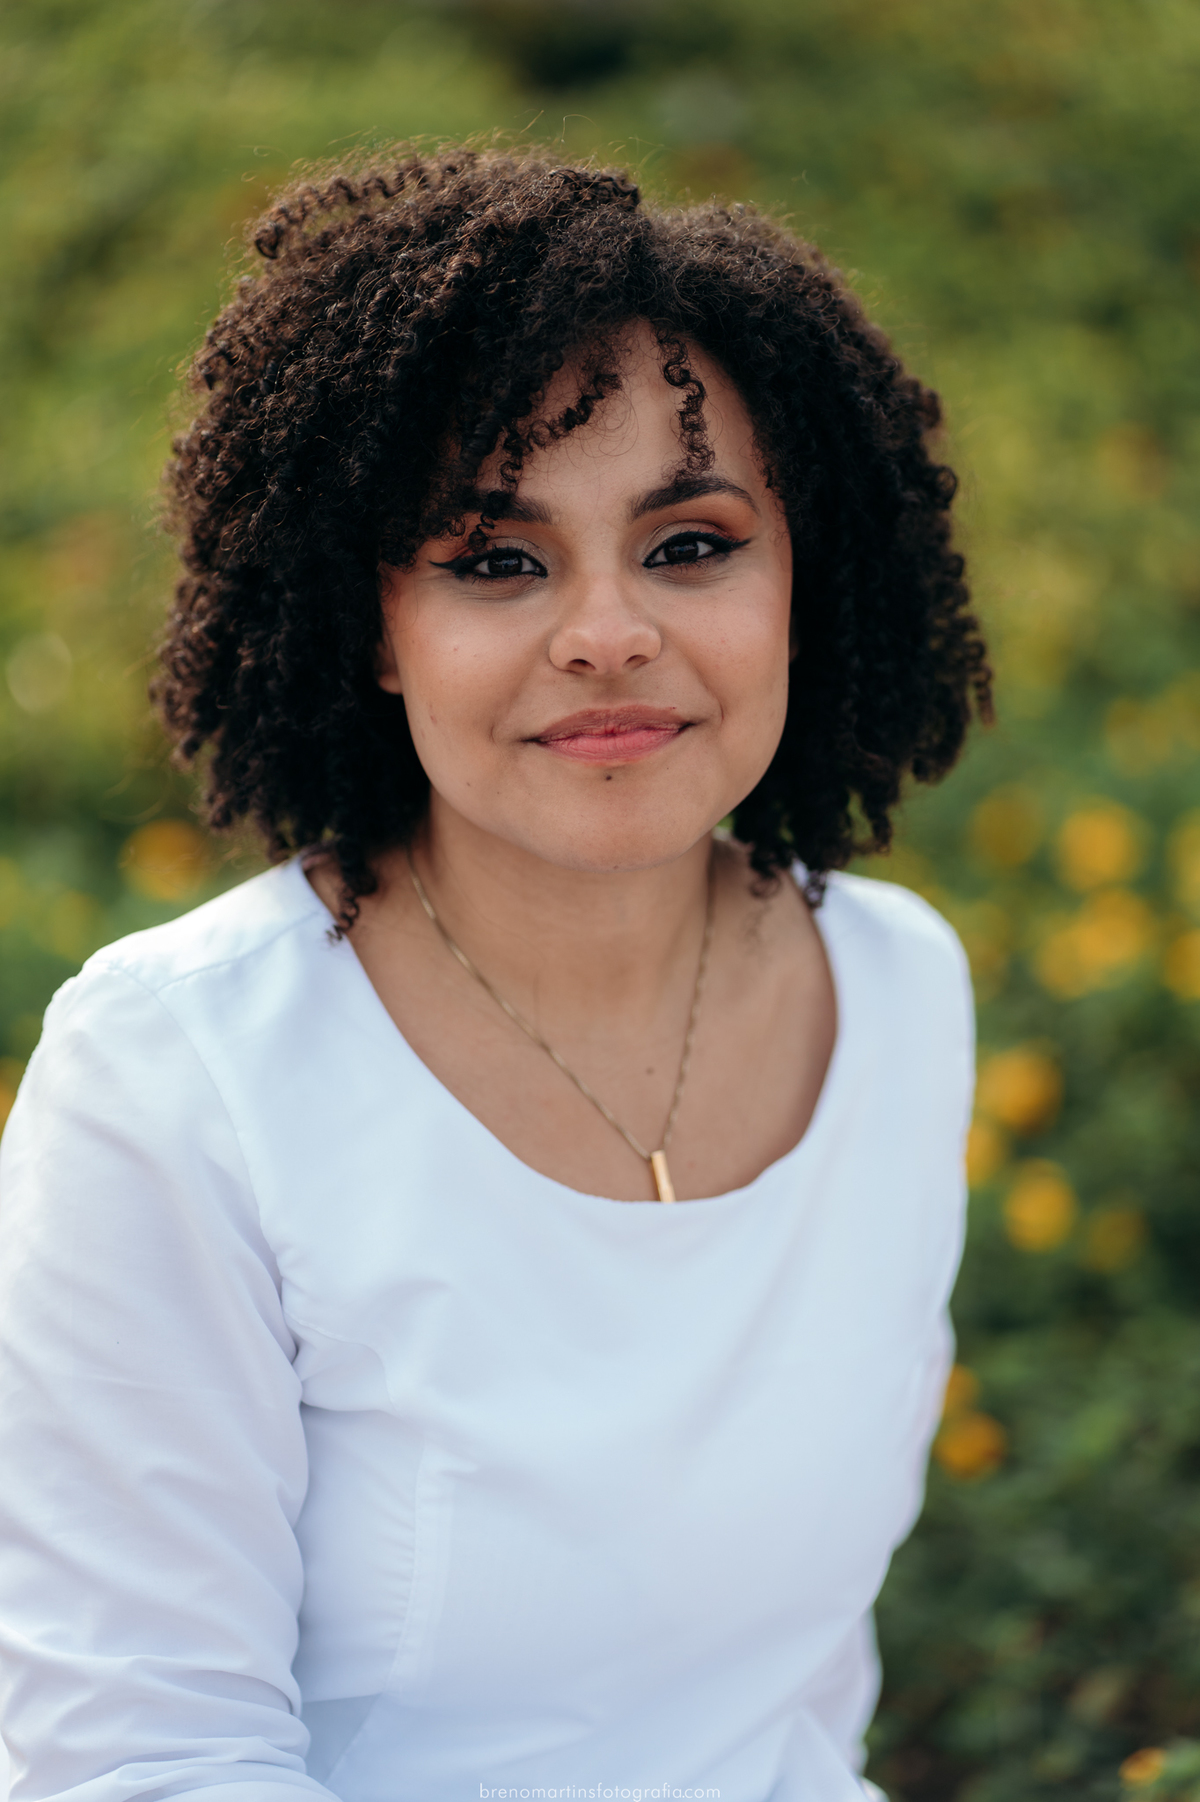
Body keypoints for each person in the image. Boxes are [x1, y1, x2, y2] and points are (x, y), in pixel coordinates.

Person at [0, 146, 990, 1802]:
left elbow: (798, 1708)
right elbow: (143, 1763)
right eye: (496, 560)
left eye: (690, 546)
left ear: (803, 579)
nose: (608, 630)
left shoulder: (900, 994)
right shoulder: (181, 1076)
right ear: (373, 622)